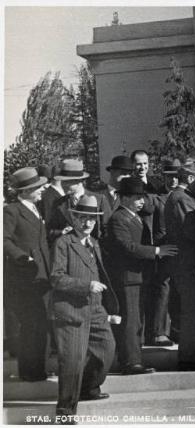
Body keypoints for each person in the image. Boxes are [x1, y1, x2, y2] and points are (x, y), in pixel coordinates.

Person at [50, 195, 119, 417]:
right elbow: (56, 278)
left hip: (95, 310)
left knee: (106, 349)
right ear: (75, 218)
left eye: (92, 219)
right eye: (83, 218)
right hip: (70, 310)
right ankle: (65, 410)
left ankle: (89, 388)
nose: (87, 223)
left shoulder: (94, 243)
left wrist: (107, 308)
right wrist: (86, 285)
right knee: (71, 361)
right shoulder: (63, 243)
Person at [106, 177, 178, 374]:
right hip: (128, 278)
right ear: (125, 198)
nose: (142, 201)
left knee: (137, 320)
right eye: (137, 197)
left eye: (142, 197)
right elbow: (127, 247)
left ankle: (133, 359)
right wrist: (156, 251)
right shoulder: (118, 219)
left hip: (139, 276)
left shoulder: (135, 217)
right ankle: (130, 362)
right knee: (131, 320)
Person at [164, 165, 195, 370]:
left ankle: (190, 356)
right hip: (188, 264)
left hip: (184, 263)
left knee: (193, 311)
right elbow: (193, 231)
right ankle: (189, 358)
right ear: (192, 178)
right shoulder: (182, 199)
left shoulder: (179, 197)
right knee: (194, 311)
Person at [4, 167, 52, 381]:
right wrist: (22, 257)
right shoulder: (12, 210)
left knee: (41, 323)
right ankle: (29, 371)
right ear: (25, 191)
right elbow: (3, 239)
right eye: (37, 187)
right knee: (31, 324)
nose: (42, 190)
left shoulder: (35, 208)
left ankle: (38, 369)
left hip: (42, 275)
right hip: (25, 277)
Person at [130, 149, 172, 347]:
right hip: (141, 242)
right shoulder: (129, 185)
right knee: (144, 288)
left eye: (145, 163)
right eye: (138, 164)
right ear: (132, 165)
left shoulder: (156, 184)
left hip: (160, 242)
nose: (142, 167)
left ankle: (159, 331)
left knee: (162, 286)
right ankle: (143, 332)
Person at [47, 159, 111, 246]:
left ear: (79, 181)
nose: (63, 185)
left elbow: (108, 229)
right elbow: (50, 231)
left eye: (68, 182)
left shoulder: (100, 200)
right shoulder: (59, 203)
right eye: (62, 181)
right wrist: (62, 232)